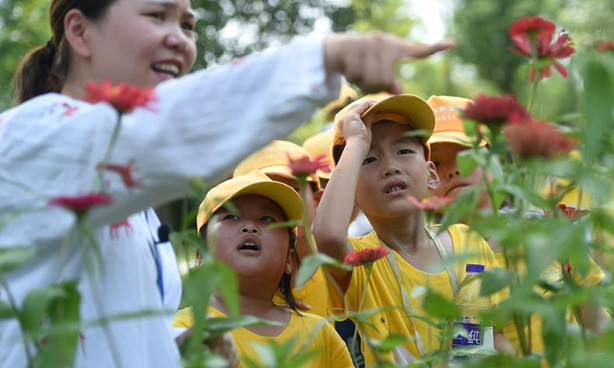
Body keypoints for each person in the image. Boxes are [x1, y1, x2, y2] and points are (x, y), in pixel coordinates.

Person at [0, 0, 454, 366]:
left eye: (188, 25)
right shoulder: (36, 135)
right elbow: (170, 127)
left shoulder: (123, 197)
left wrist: (169, 348)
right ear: (80, 31)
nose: (179, 39)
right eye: (157, 15)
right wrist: (323, 58)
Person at [313, 93, 512, 366]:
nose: (390, 167)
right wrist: (356, 141)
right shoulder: (363, 263)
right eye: (368, 159)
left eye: (404, 151)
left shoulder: (468, 242)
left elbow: (493, 335)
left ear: (431, 175)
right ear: (352, 193)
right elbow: (328, 236)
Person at [425, 95, 608, 358]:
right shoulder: (436, 261)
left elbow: (595, 318)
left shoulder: (547, 229)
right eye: (436, 164)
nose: (452, 171)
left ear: (496, 161)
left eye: (465, 154)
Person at [172, 171, 354, 368]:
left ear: (289, 261)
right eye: (232, 216)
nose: (250, 226)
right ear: (201, 255)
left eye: (267, 219)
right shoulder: (183, 330)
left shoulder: (320, 334)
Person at [233, 140, 332, 319]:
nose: (281, 207)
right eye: (265, 199)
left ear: (317, 200)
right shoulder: (230, 298)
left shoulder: (344, 269)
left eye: (293, 191)